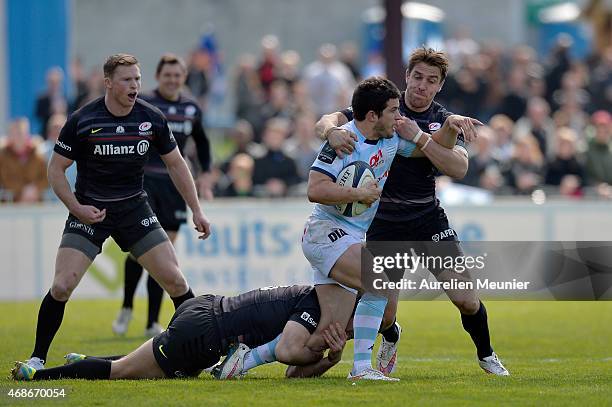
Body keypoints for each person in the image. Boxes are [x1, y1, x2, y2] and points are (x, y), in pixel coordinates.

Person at [222, 77, 475, 382]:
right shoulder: (342, 142)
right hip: (325, 233)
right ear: (372, 116)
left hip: (351, 238)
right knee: (380, 280)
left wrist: (450, 126)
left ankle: (246, 358)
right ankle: (362, 369)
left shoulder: (391, 139)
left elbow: (433, 150)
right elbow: (315, 189)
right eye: (394, 111)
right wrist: (358, 194)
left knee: (323, 340)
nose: (400, 117)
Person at [316, 47, 509, 376]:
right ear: (407, 77)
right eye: (417, 77)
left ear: (439, 86)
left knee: (466, 299)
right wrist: (332, 132)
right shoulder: (385, 106)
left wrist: (419, 137)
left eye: (431, 80)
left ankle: (487, 354)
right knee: (385, 314)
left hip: (427, 220)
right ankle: (391, 333)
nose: (422, 85)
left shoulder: (441, 121)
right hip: (383, 223)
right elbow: (328, 119)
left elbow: (459, 167)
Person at [20, 53, 211, 372]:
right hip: (90, 211)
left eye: (137, 79)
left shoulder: (151, 118)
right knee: (62, 285)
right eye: (127, 80)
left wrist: (197, 210)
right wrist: (76, 207)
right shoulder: (83, 119)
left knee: (176, 281)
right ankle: (38, 357)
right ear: (108, 83)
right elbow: (56, 169)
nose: (135, 85)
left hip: (135, 208)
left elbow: (177, 163)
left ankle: (201, 353)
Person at [11, 285, 347, 380]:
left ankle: (83, 361)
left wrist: (332, 359)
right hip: (205, 332)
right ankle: (37, 378)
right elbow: (289, 352)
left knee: (152, 372)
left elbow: (293, 373)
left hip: (207, 313)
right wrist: (324, 349)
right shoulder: (317, 303)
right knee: (122, 372)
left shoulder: (315, 299)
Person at [112, 54, 213, 338]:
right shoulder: (143, 103)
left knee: (164, 252)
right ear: (158, 77)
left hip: (175, 185)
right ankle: (127, 306)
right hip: (143, 182)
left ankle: (151, 322)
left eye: (177, 75)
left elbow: (202, 143)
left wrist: (205, 173)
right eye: (167, 75)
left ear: (184, 78)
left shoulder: (191, 108)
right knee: (141, 250)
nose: (172, 79)